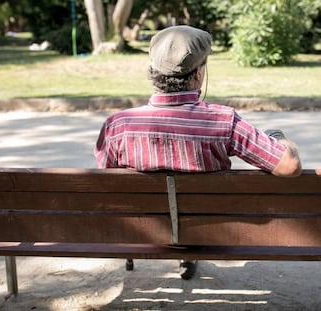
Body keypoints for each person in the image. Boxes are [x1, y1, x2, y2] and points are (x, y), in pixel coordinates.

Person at [93, 25, 302, 278]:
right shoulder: (224, 121)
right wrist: (279, 138)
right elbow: (289, 166)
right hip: (211, 229)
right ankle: (187, 250)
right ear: (198, 75)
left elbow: (110, 181)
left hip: (144, 228)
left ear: (152, 71)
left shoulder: (117, 125)